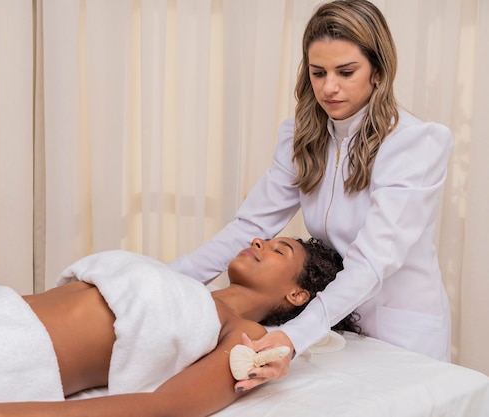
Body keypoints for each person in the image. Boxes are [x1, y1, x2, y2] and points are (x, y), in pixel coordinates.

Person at [169, 0, 454, 393]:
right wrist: (165, 282)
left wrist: (294, 336)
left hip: (401, 330)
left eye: (346, 71)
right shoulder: (302, 137)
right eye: (318, 72)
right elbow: (250, 226)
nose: (329, 87)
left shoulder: (413, 144)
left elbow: (372, 261)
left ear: (378, 72)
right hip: (338, 324)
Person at [0, 237, 357, 417]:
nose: (260, 240)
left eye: (280, 249)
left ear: (298, 295)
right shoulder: (180, 283)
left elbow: (164, 408)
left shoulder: (246, 337)